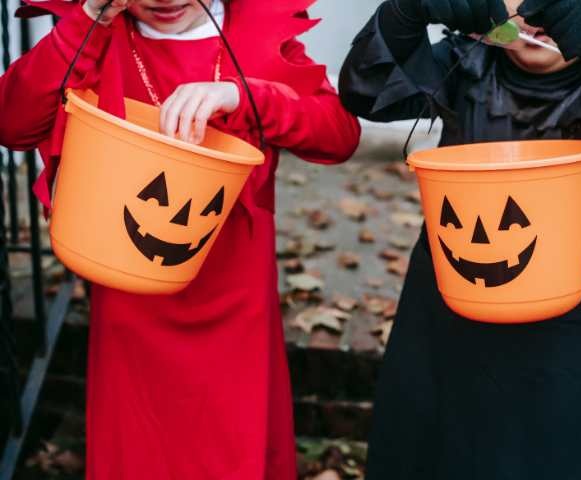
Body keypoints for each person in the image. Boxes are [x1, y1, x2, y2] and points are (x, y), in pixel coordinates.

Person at [339, 0, 581, 478]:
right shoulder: (463, 64)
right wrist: (406, 11)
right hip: (444, 311)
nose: (539, 11)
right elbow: (363, 91)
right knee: (425, 454)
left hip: (561, 335)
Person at [0, 0, 360, 478]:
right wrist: (87, 24)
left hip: (234, 294)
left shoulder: (250, 33)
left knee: (233, 444)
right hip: (131, 296)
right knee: (140, 447)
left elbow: (338, 133)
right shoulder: (96, 34)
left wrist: (246, 96)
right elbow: (14, 122)